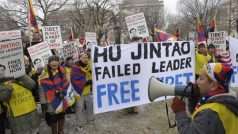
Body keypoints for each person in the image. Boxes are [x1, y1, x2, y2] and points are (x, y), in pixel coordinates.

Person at [171, 63, 238, 134]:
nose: (197, 81)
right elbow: (201, 120)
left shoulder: (210, 112)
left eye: (201, 78)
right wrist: (194, 100)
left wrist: (180, 112)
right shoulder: (225, 98)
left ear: (214, 85)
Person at [39, 55, 71, 134]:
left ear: (58, 62)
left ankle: (60, 131)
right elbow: (41, 89)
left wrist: (69, 80)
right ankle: (54, 132)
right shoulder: (44, 74)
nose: (54, 62)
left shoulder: (62, 71)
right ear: (49, 63)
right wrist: (43, 103)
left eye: (56, 60)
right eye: (52, 61)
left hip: (61, 98)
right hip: (50, 101)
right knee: (53, 118)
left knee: (61, 116)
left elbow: (66, 85)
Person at [71, 51, 93, 130]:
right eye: (84, 57)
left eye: (87, 57)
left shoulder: (89, 66)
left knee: (90, 107)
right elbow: (74, 80)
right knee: (79, 109)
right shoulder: (75, 68)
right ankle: (79, 124)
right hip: (79, 93)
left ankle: (90, 120)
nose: (86, 59)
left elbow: (92, 75)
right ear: (80, 58)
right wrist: (86, 83)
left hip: (87, 92)